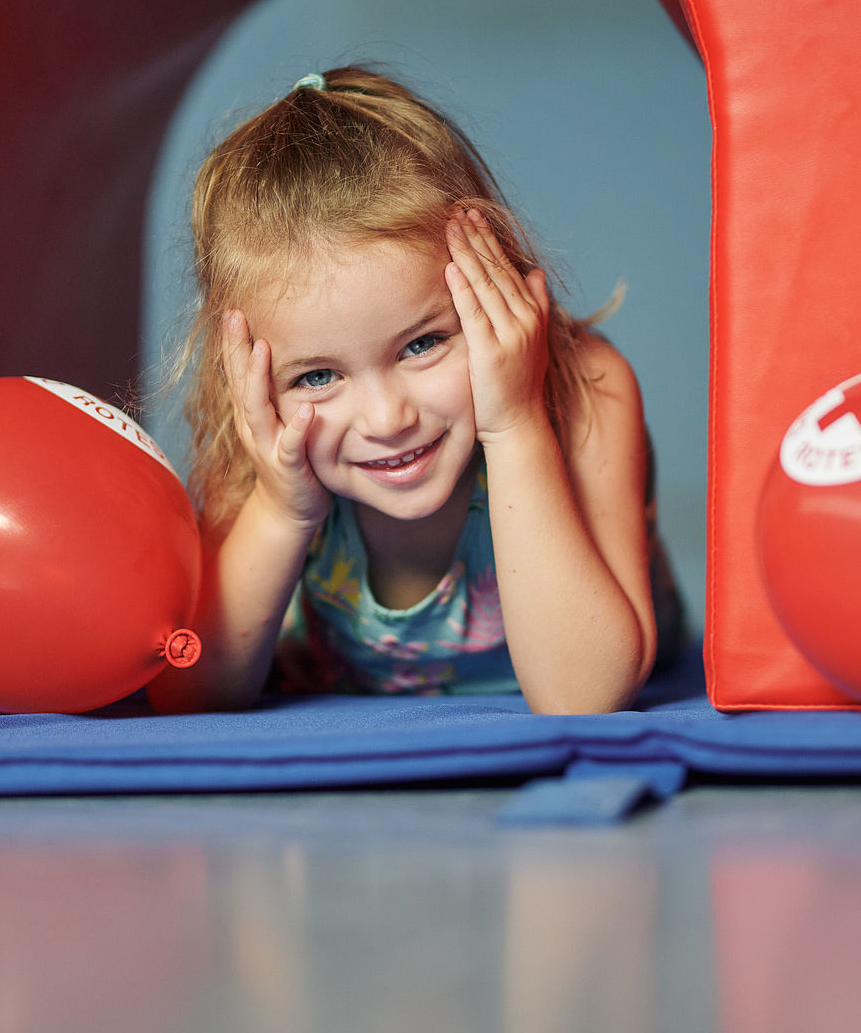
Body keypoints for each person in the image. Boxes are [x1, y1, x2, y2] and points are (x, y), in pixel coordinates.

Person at [146, 67, 684, 715]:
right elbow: (184, 694)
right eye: (317, 376)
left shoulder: (586, 390)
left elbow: (586, 696)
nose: (387, 417)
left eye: (423, 344)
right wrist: (282, 509)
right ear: (249, 380)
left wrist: (514, 425)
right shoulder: (265, 444)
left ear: (497, 286)